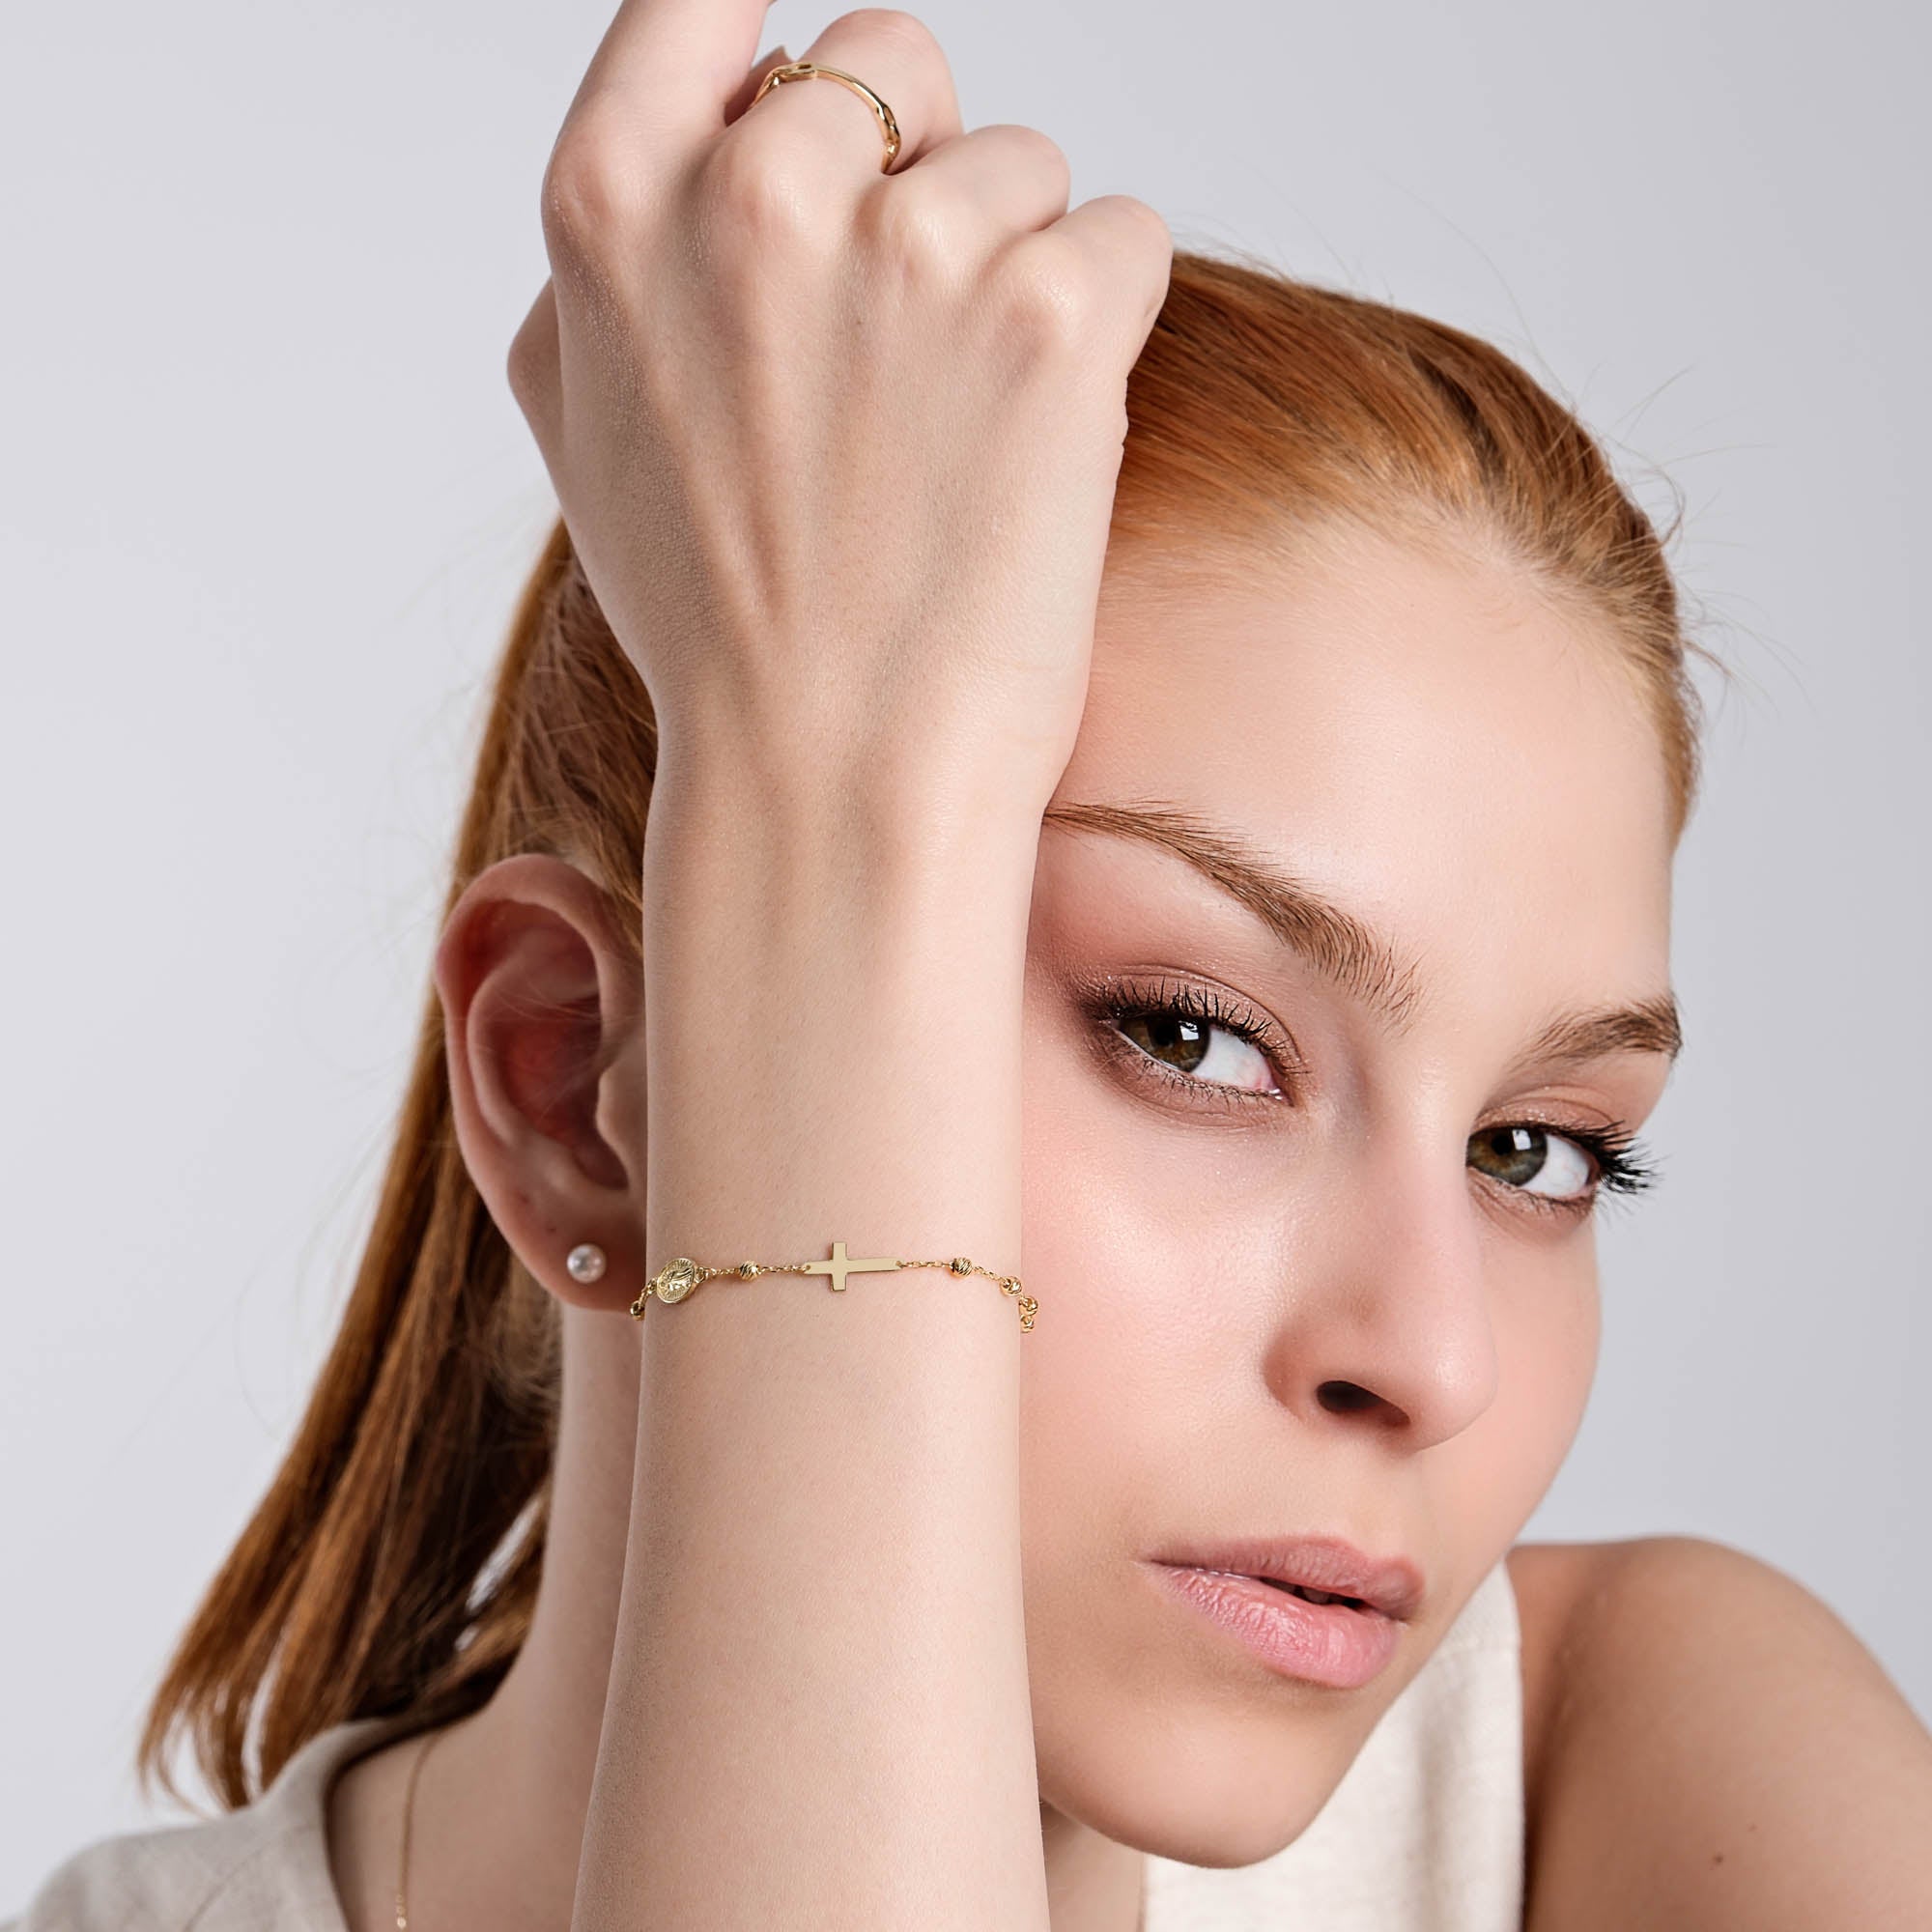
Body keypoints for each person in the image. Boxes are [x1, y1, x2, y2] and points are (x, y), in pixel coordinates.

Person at [11, 3, 1932, 1928]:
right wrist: (818, 794)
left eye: (1535, 1150)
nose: (1431, 1358)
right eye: (1191, 1035)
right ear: (567, 1077)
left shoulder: (1640, 1772)